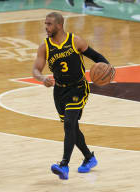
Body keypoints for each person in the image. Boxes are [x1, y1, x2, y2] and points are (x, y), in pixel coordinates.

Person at [32, 12, 113, 180]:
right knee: (72, 128)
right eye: (45, 24)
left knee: (69, 124)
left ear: (59, 25)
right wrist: (42, 78)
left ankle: (64, 165)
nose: (46, 27)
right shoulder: (44, 47)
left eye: (49, 24)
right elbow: (36, 69)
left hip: (78, 88)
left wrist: (109, 69)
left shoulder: (75, 41)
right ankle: (89, 158)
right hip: (59, 91)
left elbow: (96, 57)